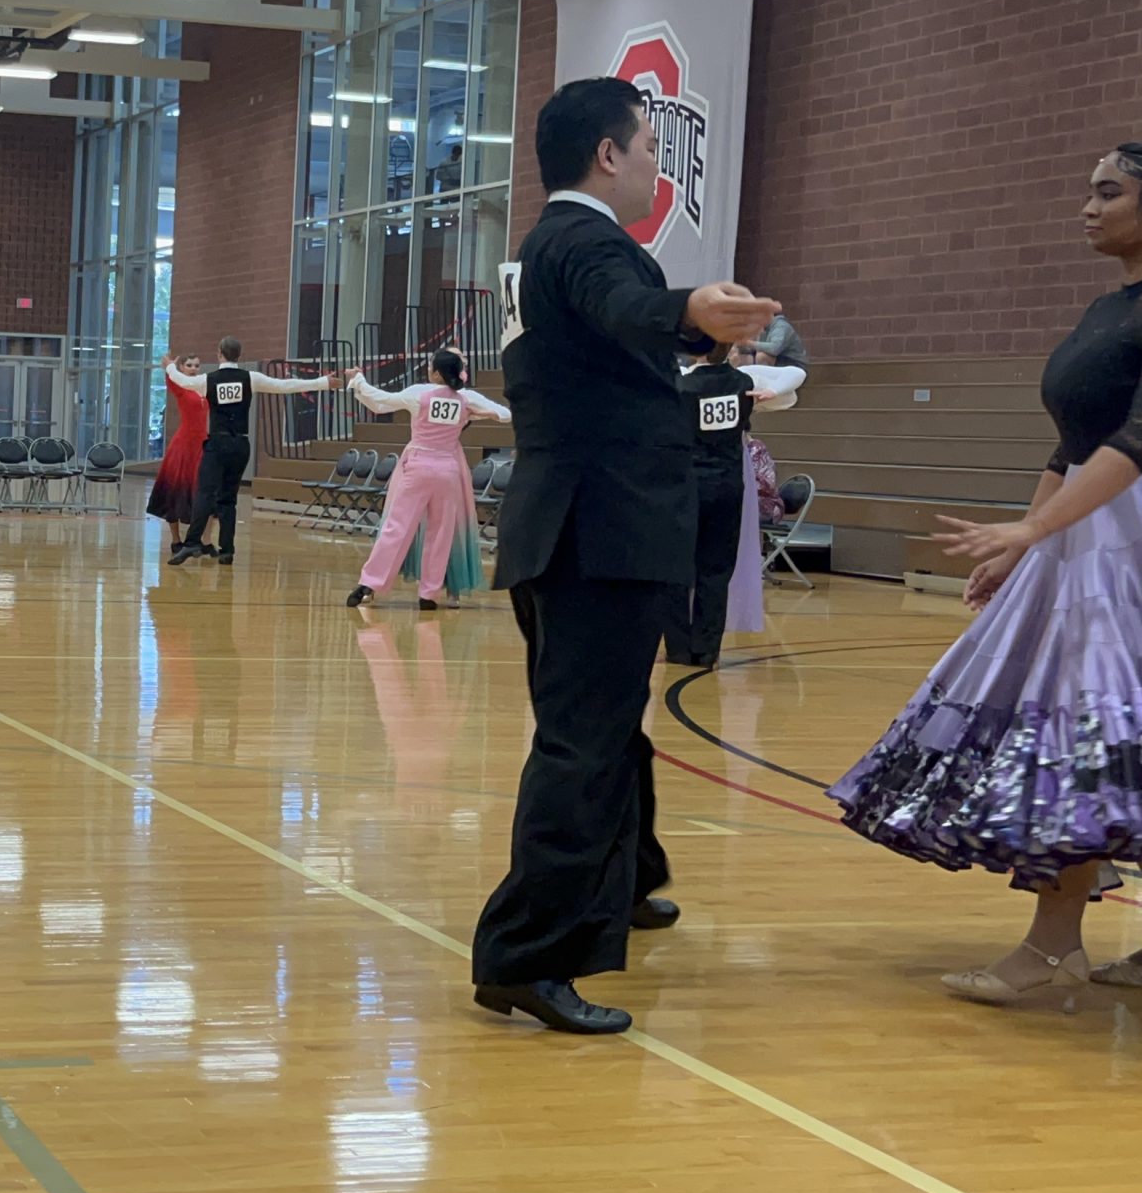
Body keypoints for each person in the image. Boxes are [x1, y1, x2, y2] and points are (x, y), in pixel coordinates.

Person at [832, 142, 1142, 1004]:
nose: (1087, 207)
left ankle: (1054, 945)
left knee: (1090, 730)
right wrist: (1025, 544)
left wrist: (1036, 527)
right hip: (1090, 529)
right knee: (1139, 737)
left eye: (1108, 192)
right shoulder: (1111, 306)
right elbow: (1073, 442)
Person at [470, 76, 780, 1036]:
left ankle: (626, 879)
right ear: (607, 154)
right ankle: (527, 956)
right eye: (648, 147)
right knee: (583, 744)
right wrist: (690, 307)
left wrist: (679, 314)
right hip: (596, 532)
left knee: (610, 728)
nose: (655, 165)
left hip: (584, 527)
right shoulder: (585, 242)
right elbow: (623, 306)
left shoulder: (552, 245)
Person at [663, 345, 806, 668]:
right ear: (729, 350)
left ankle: (679, 648)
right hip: (727, 487)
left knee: (676, 568)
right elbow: (796, 374)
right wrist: (773, 392)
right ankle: (707, 649)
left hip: (685, 489)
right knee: (716, 570)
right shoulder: (743, 382)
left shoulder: (680, 384)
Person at [342, 349, 509, 611]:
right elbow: (503, 414)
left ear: (437, 373)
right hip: (448, 471)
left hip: (418, 467)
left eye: (431, 367)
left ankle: (369, 583)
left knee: (397, 527)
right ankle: (429, 594)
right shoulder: (467, 398)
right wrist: (479, 414)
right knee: (441, 532)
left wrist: (358, 380)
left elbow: (380, 402)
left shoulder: (419, 393)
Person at [165, 337, 343, 568]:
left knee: (205, 493)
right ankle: (227, 551)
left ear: (219, 353)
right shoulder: (251, 378)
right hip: (241, 445)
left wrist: (170, 366)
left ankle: (191, 542)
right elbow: (285, 386)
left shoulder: (208, 380)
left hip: (217, 444)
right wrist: (323, 382)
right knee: (228, 498)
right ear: (239, 355)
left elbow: (181, 380)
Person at [147, 354, 210, 552]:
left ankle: (202, 540)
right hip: (183, 445)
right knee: (174, 491)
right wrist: (170, 367)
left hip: (202, 444)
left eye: (196, 365)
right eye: (189, 365)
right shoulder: (180, 386)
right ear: (182, 367)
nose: (193, 368)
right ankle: (176, 540)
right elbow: (170, 378)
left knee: (204, 491)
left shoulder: (204, 387)